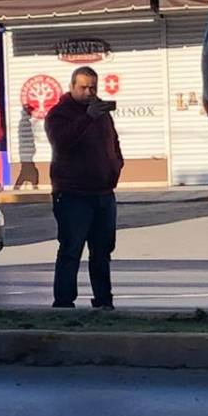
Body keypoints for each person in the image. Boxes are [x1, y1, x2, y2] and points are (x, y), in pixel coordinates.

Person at [45, 66, 123, 310]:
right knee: (71, 249)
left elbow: (113, 141)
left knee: (102, 251)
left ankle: (103, 300)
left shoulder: (102, 113)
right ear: (72, 87)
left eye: (93, 87)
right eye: (83, 87)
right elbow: (61, 142)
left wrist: (116, 165)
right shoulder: (59, 114)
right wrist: (87, 117)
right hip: (73, 194)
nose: (89, 92)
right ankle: (64, 302)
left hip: (103, 193)